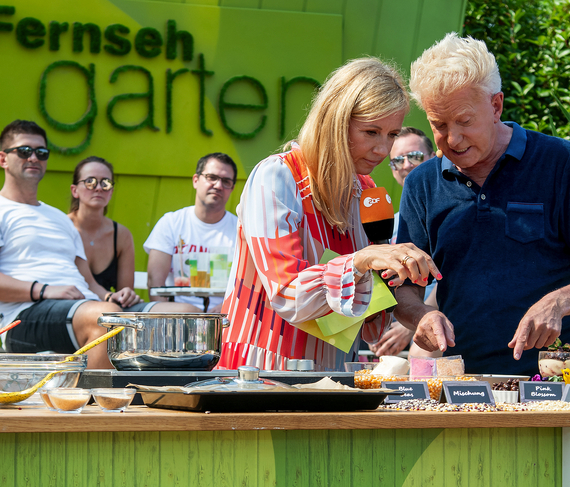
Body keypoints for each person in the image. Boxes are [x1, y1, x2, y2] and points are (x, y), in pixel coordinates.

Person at [394, 32, 570, 375]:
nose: (453, 139)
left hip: (560, 379)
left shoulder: (559, 162)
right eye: (439, 125)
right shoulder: (421, 183)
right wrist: (421, 316)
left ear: (495, 106)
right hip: (463, 382)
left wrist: (558, 303)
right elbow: (403, 290)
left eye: (464, 121)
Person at [218, 57, 440, 372]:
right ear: (336, 121)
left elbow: (361, 317)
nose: (382, 149)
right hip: (260, 372)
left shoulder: (367, 189)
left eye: (391, 134)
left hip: (332, 373)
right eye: (371, 131)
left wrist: (404, 287)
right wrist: (362, 261)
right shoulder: (276, 177)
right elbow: (288, 295)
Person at [0, 120, 120, 369]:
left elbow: (88, 282)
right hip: (23, 318)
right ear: (3, 159)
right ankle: (84, 400)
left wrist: (112, 295)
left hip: (84, 306)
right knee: (108, 319)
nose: (34, 157)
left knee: (177, 313)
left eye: (41, 152)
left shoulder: (60, 218)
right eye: (24, 151)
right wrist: (45, 290)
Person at [68, 156, 196, 313]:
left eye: (106, 183)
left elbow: (125, 291)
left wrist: (127, 295)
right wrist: (110, 298)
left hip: (112, 308)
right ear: (75, 190)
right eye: (90, 182)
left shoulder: (120, 234)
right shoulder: (63, 227)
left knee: (186, 311)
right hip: (71, 307)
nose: (99, 188)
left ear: (112, 191)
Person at [370, 127, 437, 358]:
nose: (406, 165)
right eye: (397, 160)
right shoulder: (391, 224)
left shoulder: (449, 213)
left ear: (433, 157)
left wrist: (411, 324)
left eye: (415, 156)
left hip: (433, 341)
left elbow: (455, 281)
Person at [143, 153, 239, 311]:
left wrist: (227, 307)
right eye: (211, 177)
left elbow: (250, 284)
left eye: (226, 181)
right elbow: (155, 282)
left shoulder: (241, 230)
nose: (218, 185)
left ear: (232, 188)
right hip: (179, 318)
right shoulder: (171, 223)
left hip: (227, 317)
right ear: (196, 180)